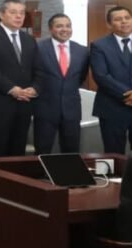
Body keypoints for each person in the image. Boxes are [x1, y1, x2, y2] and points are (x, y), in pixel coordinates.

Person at [0, 0, 40, 157]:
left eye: (22, 13)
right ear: (1, 14)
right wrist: (12, 89)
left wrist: (35, 88)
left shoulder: (29, 39)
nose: (19, 16)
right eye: (13, 12)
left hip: (24, 103)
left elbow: (38, 69)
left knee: (18, 150)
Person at [33, 14, 90, 154]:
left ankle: (68, 170)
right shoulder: (38, 48)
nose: (65, 29)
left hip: (72, 108)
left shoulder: (82, 51)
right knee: (42, 149)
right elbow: (32, 75)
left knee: (71, 149)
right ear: (50, 29)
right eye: (59, 26)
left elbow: (81, 77)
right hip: (45, 108)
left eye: (68, 26)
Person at [90, 6, 132, 154]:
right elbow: (101, 76)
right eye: (118, 19)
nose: (124, 21)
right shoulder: (99, 45)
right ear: (109, 25)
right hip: (112, 107)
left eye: (127, 18)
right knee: (114, 154)